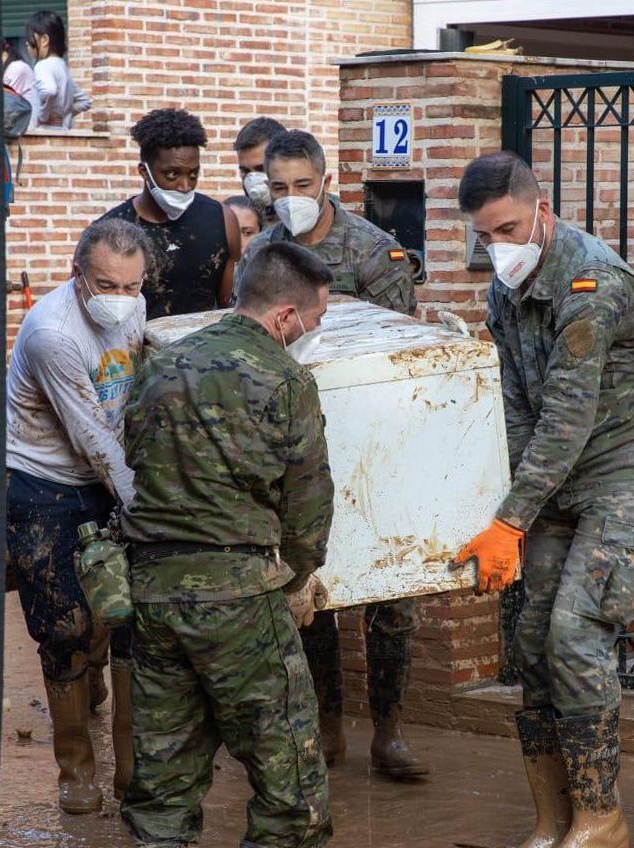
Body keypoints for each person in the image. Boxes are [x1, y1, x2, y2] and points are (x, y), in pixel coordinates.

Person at [452, 151, 634, 848]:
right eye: (484, 235)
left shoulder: (593, 286)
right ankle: (552, 820)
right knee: (530, 639)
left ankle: (600, 817)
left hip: (627, 467)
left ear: (541, 210)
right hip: (558, 475)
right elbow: (519, 409)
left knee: (575, 630)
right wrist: (514, 518)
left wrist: (509, 520)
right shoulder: (504, 287)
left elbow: (567, 416)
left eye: (510, 229)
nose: (498, 248)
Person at [119, 242, 335, 848]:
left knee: (164, 775)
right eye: (313, 321)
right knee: (290, 778)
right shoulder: (287, 379)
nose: (310, 333)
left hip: (153, 593)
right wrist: (295, 576)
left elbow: (134, 457)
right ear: (286, 317)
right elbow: (308, 503)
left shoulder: (161, 363)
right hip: (240, 597)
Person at [237, 130, 425, 778]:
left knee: (394, 595)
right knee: (310, 589)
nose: (290, 199)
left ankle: (391, 730)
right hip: (298, 446)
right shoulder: (261, 253)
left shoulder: (375, 253)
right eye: (277, 187)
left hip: (376, 440)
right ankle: (327, 725)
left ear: (324, 183)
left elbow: (399, 347)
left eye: (300, 186)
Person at [5, 218, 153, 814]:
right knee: (65, 628)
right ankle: (76, 768)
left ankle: (132, 774)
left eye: (131, 286)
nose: (120, 299)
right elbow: (91, 437)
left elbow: (139, 388)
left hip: (110, 476)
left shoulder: (136, 310)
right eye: (106, 284)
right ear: (77, 276)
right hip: (44, 483)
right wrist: (148, 508)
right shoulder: (52, 334)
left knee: (131, 623)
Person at [99, 108, 241, 319]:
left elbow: (228, 304)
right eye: (172, 174)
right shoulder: (110, 231)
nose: (184, 186)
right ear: (144, 172)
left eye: (193, 174)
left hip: (205, 346)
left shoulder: (222, 219)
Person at [24, 10, 90, 129]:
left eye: (30, 36)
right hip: (63, 135)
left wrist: (43, 116)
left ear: (44, 40)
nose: (27, 42)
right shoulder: (62, 67)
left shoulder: (42, 66)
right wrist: (65, 115)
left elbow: (49, 90)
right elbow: (85, 101)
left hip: (43, 135)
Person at [234, 116, 287, 228]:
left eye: (261, 169)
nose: (252, 179)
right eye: (245, 171)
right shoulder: (242, 223)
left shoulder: (316, 218)